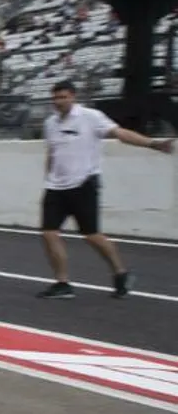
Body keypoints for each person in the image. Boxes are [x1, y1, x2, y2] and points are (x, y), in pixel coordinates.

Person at [36, 80, 173, 299]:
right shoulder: (50, 123)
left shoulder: (91, 117)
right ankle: (62, 283)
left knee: (92, 236)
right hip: (55, 187)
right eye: (55, 98)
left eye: (62, 97)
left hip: (83, 184)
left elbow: (120, 134)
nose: (58, 101)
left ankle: (120, 272)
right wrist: (48, 179)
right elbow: (52, 153)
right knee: (49, 233)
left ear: (73, 97)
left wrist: (152, 144)